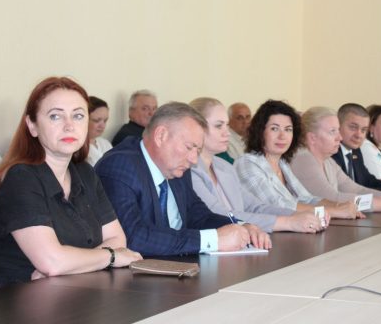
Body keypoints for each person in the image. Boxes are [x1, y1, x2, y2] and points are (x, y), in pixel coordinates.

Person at [0, 77, 141, 287]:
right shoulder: (19, 178)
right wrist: (111, 257)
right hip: (8, 297)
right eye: (55, 116)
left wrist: (68, 267)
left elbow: (117, 239)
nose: (69, 126)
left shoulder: (84, 172)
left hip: (67, 291)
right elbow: (52, 262)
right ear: (32, 126)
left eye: (78, 116)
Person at [96, 102, 271, 256]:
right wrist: (213, 240)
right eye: (189, 147)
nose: (194, 160)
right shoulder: (119, 166)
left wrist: (242, 227)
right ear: (161, 136)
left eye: (198, 150)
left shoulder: (176, 168)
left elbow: (199, 216)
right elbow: (133, 237)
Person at [189, 97, 325, 233]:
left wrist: (297, 215)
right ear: (196, 128)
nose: (227, 132)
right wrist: (288, 222)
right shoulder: (189, 169)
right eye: (219, 126)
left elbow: (255, 206)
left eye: (227, 125)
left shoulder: (224, 167)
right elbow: (218, 215)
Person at [235, 100, 360, 220]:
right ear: (260, 131)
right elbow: (277, 206)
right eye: (274, 128)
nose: (282, 136)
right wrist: (333, 211)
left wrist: (339, 206)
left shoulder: (282, 164)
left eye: (288, 129)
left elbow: (307, 199)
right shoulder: (247, 163)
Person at [291, 107, 381, 213]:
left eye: (338, 130)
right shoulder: (303, 159)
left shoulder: (328, 161)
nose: (339, 137)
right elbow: (331, 198)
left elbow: (355, 189)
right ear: (312, 138)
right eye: (333, 131)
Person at [86, 96, 113, 166]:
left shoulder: (105, 144)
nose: (102, 126)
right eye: (96, 120)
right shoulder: (76, 148)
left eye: (105, 120)